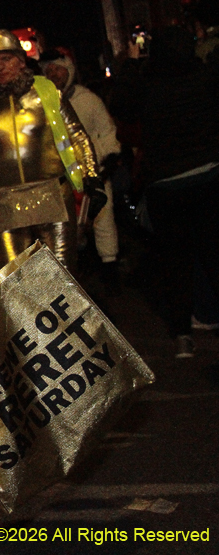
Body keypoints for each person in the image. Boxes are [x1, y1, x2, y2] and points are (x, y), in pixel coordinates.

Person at [0, 24, 106, 274]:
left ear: (21, 61)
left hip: (52, 196)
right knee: (19, 284)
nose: (0, 66)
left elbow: (77, 136)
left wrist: (91, 176)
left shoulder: (46, 91)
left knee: (63, 278)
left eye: (6, 59)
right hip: (3, 204)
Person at [111, 26, 219, 358]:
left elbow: (120, 107)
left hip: (165, 184)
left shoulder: (147, 85)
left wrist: (129, 64)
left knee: (176, 260)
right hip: (209, 175)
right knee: (214, 252)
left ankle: (183, 335)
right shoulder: (203, 78)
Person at [40, 54, 121, 268]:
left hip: (94, 171)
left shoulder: (88, 100)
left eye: (58, 69)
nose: (53, 74)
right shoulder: (44, 104)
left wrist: (104, 162)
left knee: (103, 219)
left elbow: (106, 132)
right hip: (64, 177)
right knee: (69, 227)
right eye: (48, 70)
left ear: (70, 71)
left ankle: (110, 265)